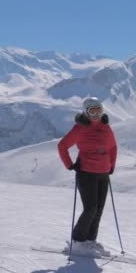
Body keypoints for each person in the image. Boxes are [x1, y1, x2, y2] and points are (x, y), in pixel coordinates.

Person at [58, 97, 117, 253]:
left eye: (99, 110)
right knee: (90, 209)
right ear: (86, 112)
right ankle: (78, 241)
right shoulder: (80, 128)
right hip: (86, 173)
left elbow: (113, 147)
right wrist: (70, 165)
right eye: (92, 111)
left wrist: (111, 165)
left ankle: (90, 240)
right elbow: (62, 145)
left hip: (103, 173)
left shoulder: (106, 127)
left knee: (98, 210)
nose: (96, 114)